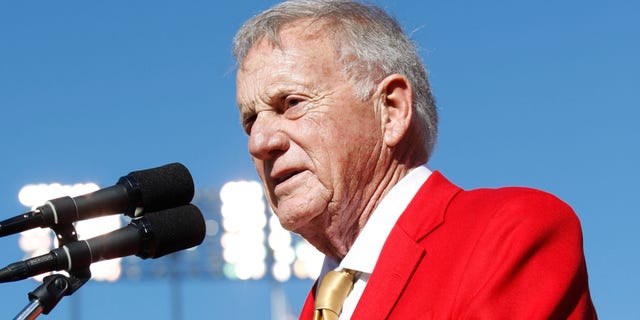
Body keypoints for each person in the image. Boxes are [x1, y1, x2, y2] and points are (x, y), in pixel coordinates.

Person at [232, 0, 597, 318]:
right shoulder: (318, 306)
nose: (260, 142)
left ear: (390, 110)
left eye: (291, 103)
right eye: (250, 121)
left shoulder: (508, 234)